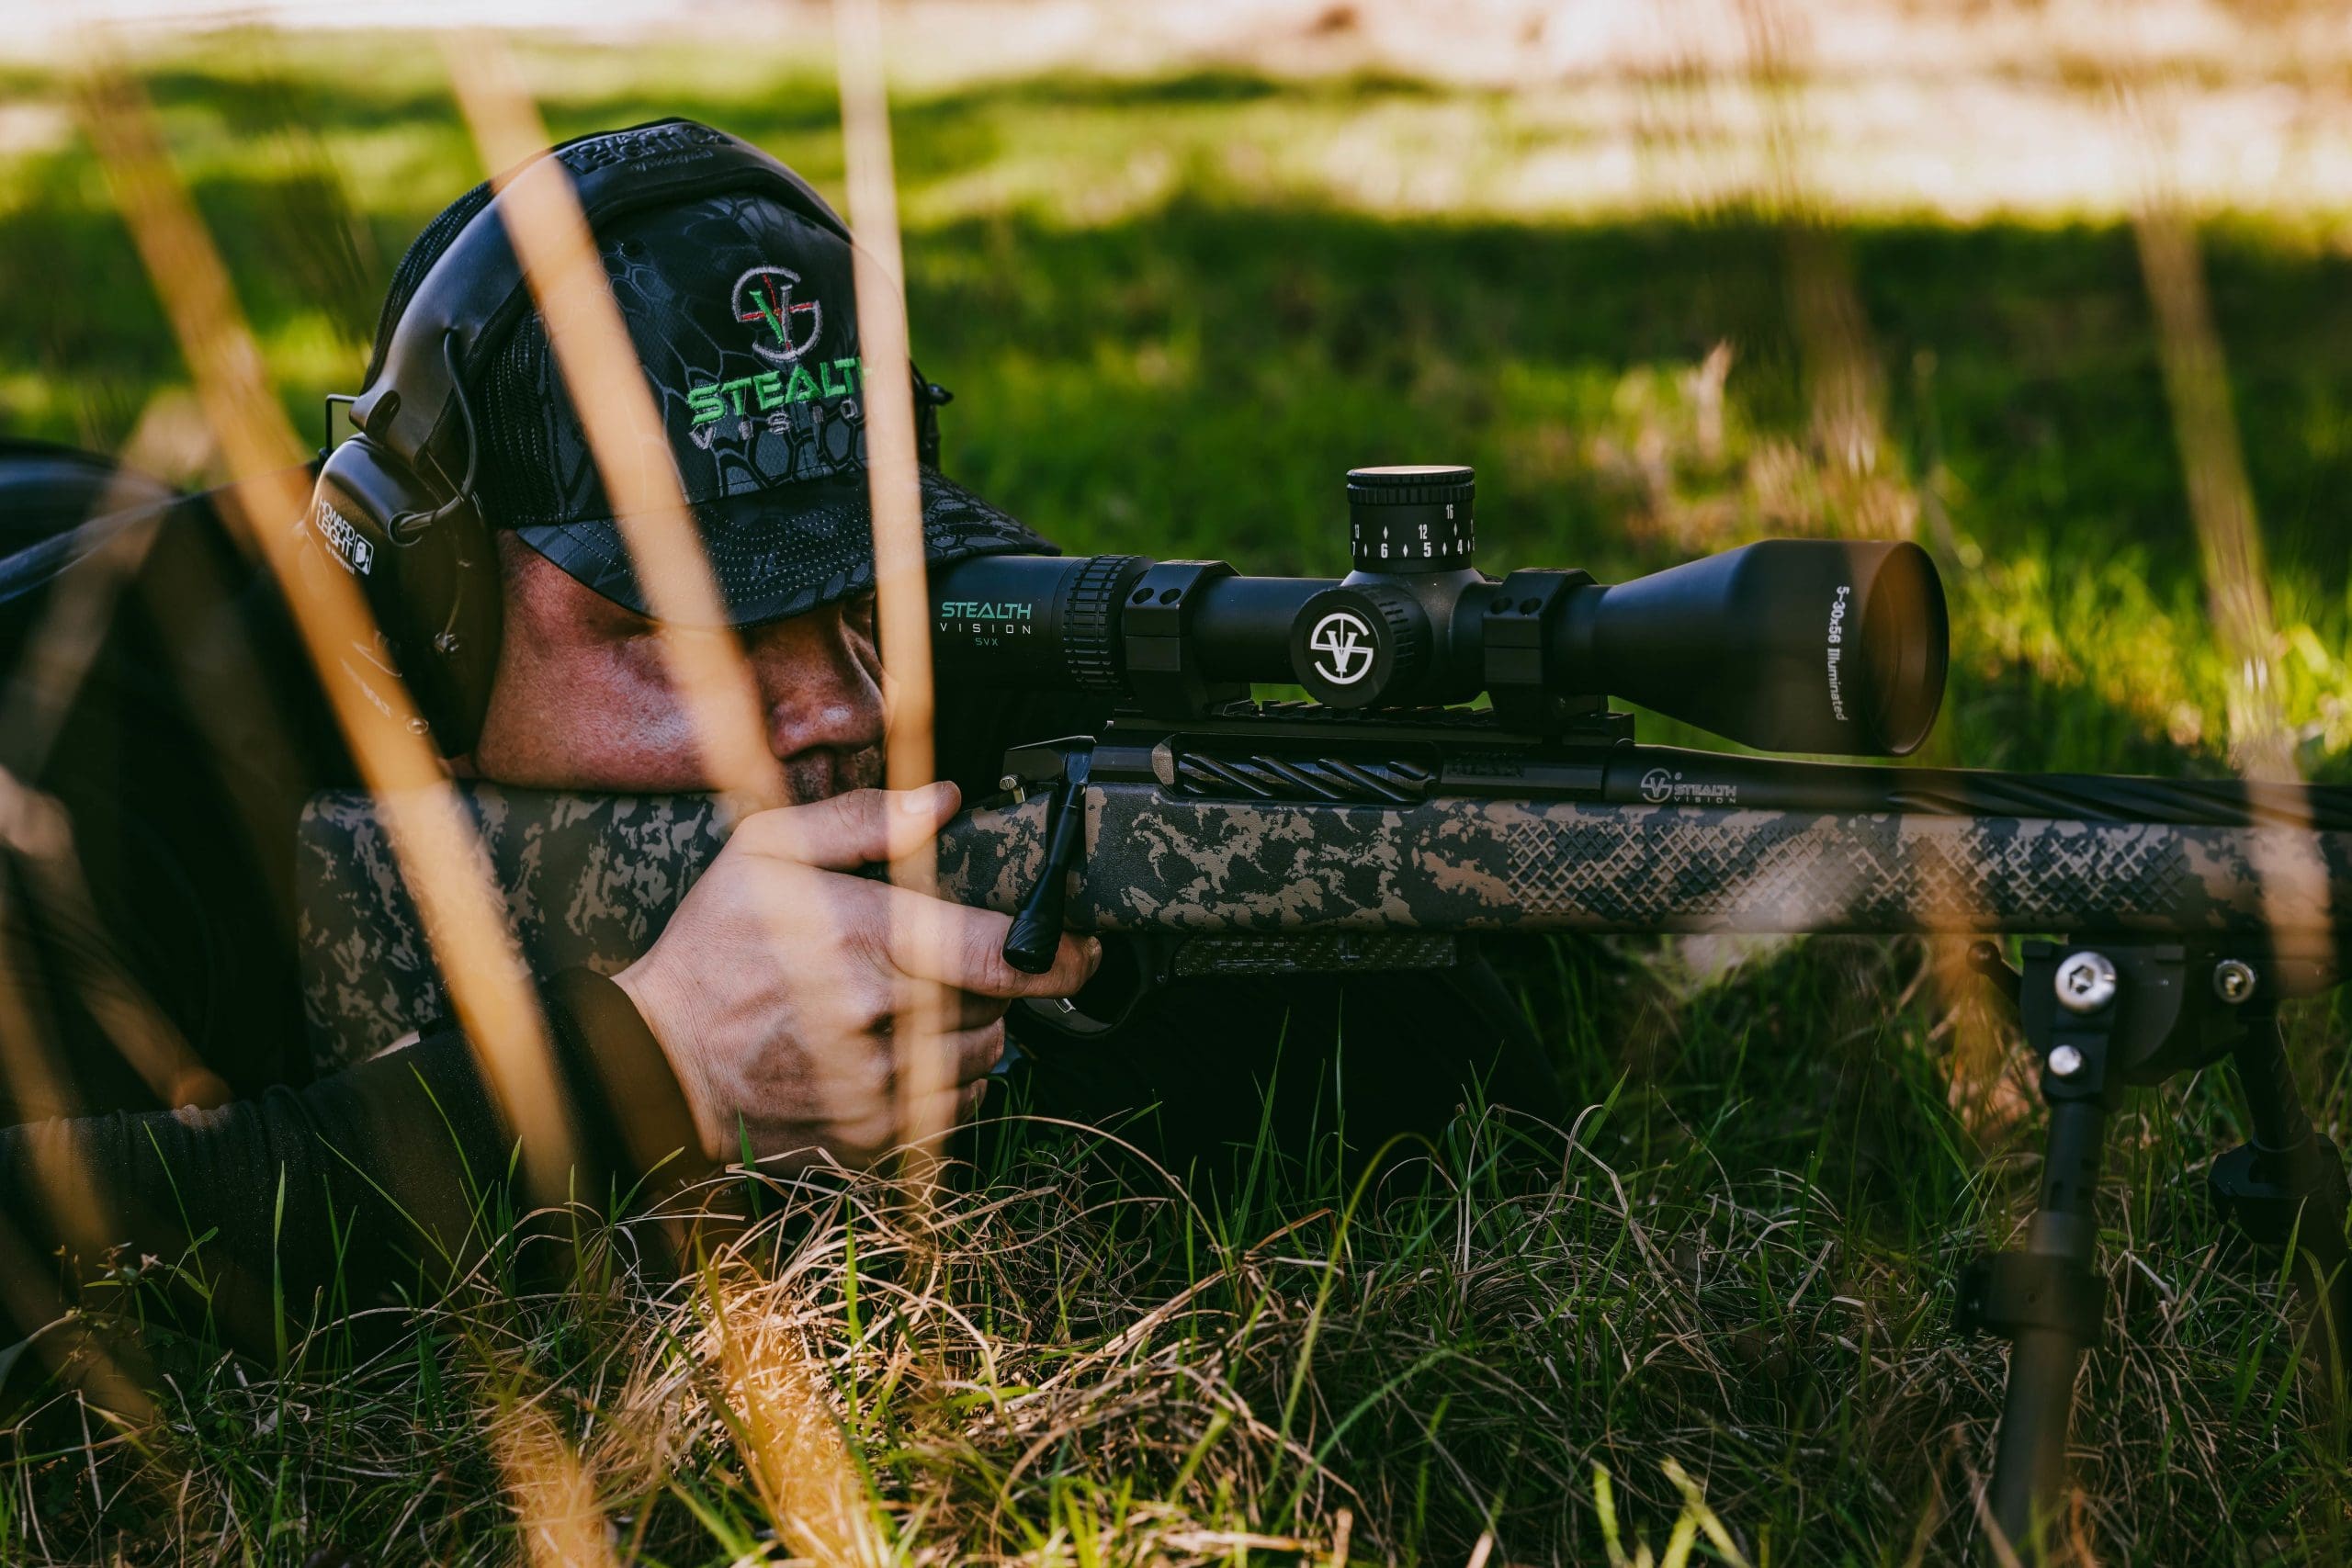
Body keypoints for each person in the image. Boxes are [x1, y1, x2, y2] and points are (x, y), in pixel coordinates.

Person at [0, 120, 1555, 1367]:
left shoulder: (946, 642)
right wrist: (652, 1073)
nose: (839, 713)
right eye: (686, 628)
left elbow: (1454, 1045)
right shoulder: (76, 744)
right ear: (429, 623)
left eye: (858, 594)